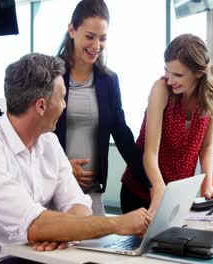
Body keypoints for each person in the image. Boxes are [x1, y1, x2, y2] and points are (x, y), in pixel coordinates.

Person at [0, 53, 152, 264]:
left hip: (39, 254)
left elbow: (78, 204)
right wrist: (118, 224)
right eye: (62, 98)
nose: (65, 106)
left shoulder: (48, 142)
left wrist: (61, 232)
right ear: (41, 106)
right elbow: (34, 225)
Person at [55, 0, 148, 215]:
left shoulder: (109, 81)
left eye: (102, 38)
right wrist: (63, 166)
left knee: (97, 246)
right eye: (89, 36)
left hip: (92, 191)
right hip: (54, 187)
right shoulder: (51, 75)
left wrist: (152, 182)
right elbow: (37, 133)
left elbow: (122, 134)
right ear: (72, 30)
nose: (96, 45)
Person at [120, 34, 213, 214]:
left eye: (177, 74)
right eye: (167, 70)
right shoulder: (161, 89)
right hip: (141, 192)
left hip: (177, 195)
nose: (169, 79)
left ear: (198, 73)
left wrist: (207, 186)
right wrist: (159, 188)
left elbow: (206, 146)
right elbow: (150, 153)